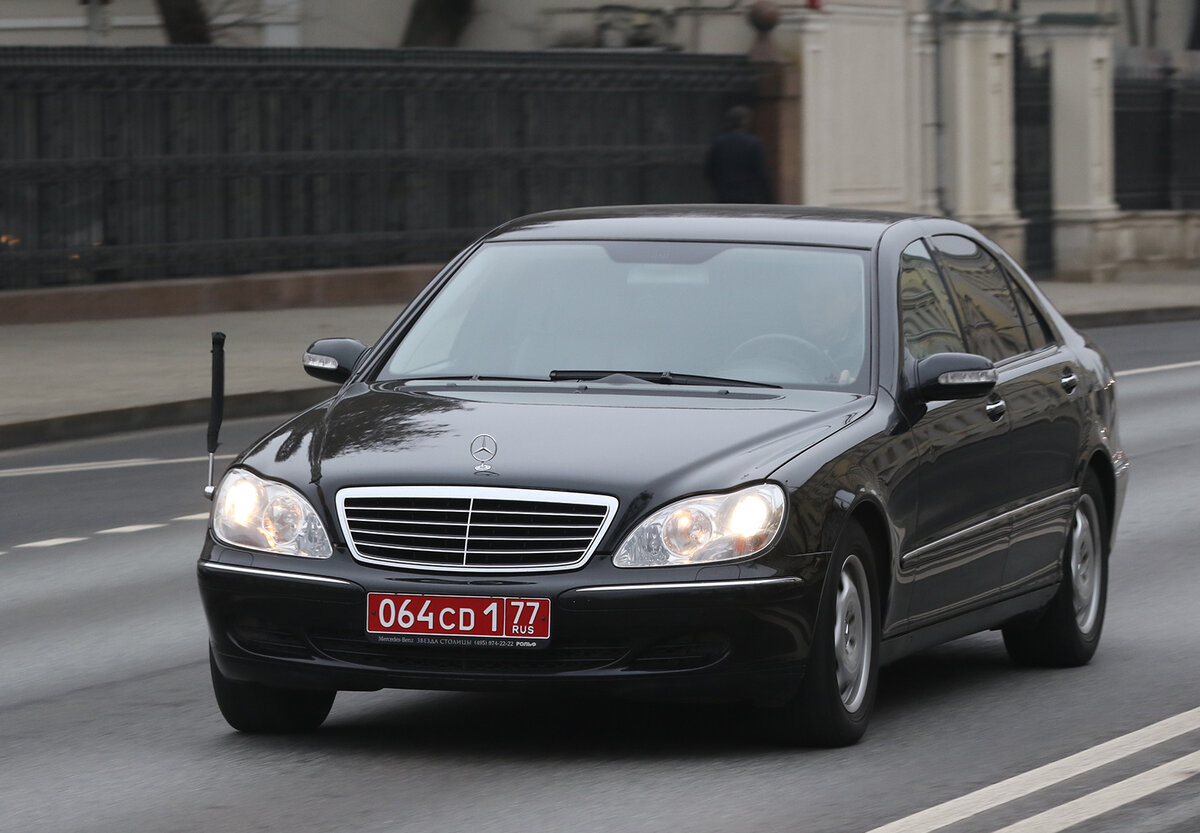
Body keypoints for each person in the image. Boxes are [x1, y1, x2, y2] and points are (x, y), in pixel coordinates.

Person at [704, 105, 773, 204]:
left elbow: (709, 171)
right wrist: (768, 200)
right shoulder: (753, 143)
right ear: (745, 122)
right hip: (747, 197)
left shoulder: (719, 143)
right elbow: (761, 174)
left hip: (724, 196)